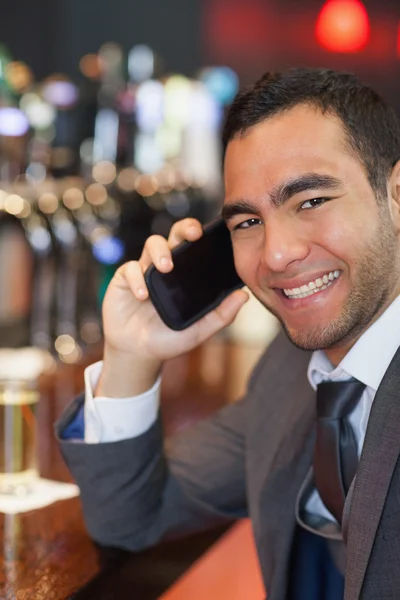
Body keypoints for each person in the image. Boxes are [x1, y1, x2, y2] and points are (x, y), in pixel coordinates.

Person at [56, 68, 400, 600]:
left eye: (310, 202)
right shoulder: (291, 375)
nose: (277, 254)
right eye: (247, 223)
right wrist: (131, 357)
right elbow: (131, 518)